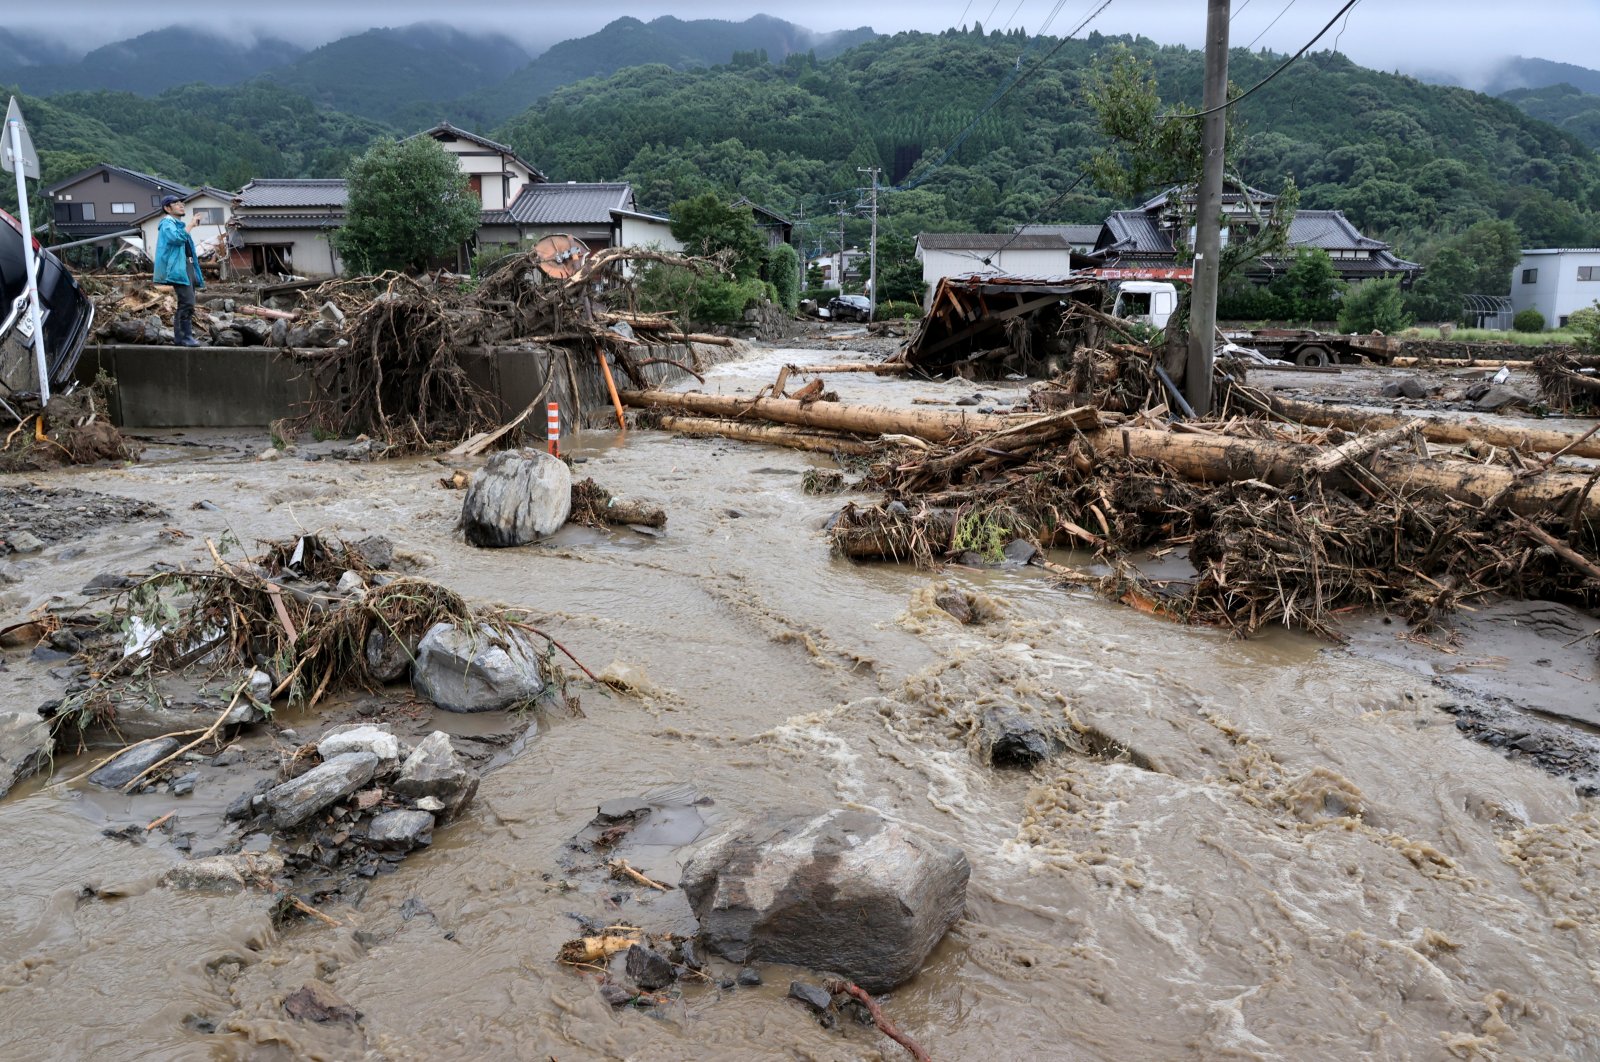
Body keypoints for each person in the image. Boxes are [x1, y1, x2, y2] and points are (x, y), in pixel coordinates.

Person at [153, 194, 205, 347]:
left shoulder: (177, 224)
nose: (181, 205)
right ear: (167, 208)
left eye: (181, 202)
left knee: (188, 302)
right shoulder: (167, 223)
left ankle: (184, 336)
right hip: (178, 268)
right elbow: (176, 239)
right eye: (176, 203)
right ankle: (183, 337)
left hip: (185, 266)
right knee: (187, 302)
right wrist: (191, 225)